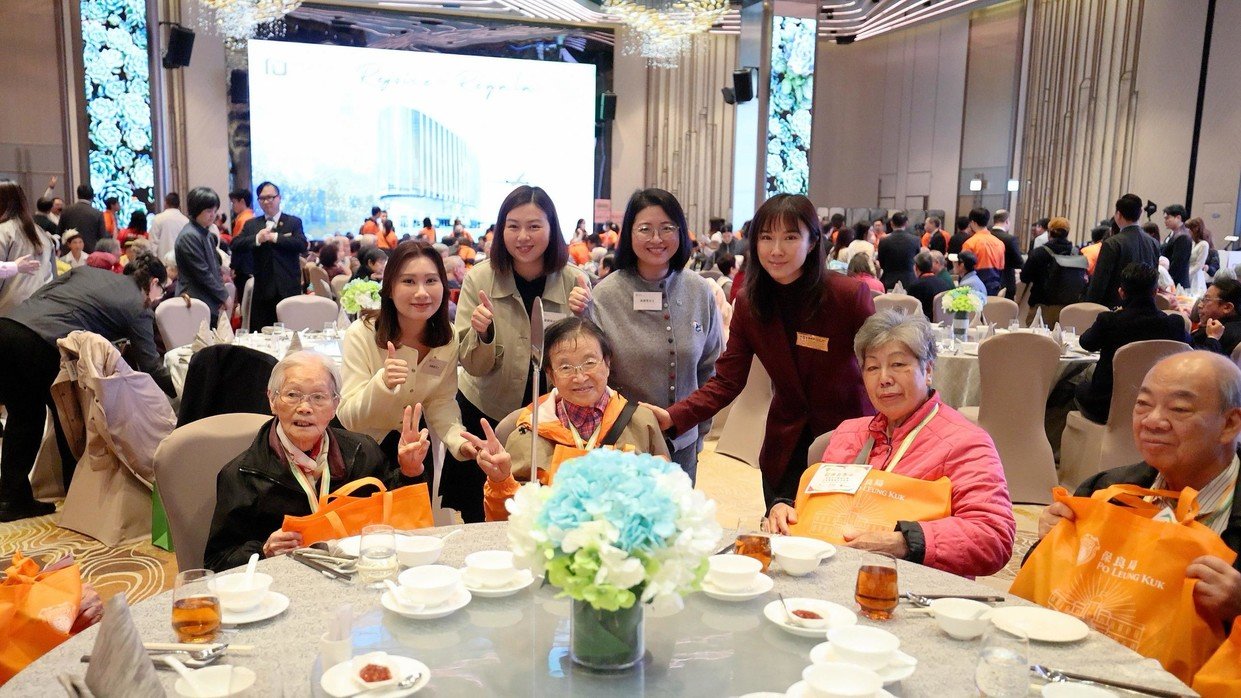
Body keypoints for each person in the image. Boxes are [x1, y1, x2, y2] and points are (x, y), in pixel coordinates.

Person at [646, 194, 875, 508]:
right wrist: (673, 417)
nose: (776, 250)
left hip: (848, 445)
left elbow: (880, 367)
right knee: (779, 528)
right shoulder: (751, 303)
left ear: (812, 242)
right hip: (785, 447)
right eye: (766, 238)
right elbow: (727, 381)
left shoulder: (847, 296)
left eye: (790, 237)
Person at [765, 311, 1015, 577]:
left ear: (928, 370)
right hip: (835, 574)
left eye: (898, 364)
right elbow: (825, 505)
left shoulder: (965, 442)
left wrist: (905, 542)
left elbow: (994, 536)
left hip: (914, 585)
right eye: (872, 368)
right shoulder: (849, 433)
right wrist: (788, 510)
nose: (884, 378)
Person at [1039, 352, 1241, 628]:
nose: (1152, 421)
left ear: (1230, 424)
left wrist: (1238, 606)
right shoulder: (1108, 490)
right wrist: (1051, 543)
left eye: (1179, 409)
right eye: (1143, 404)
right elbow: (1047, 593)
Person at [204, 351, 432, 571]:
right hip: (285, 585)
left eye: (318, 397)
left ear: (335, 406)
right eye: (292, 395)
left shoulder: (362, 452)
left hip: (356, 575)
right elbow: (217, 561)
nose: (305, 408)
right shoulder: (244, 473)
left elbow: (401, 522)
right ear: (272, 400)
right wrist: (264, 550)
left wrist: (410, 471)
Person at [452, 185, 592, 522]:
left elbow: (591, 356)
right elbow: (470, 363)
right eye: (513, 226)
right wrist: (482, 333)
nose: (523, 236)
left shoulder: (575, 281)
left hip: (553, 419)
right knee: (482, 513)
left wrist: (586, 315)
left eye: (534, 226)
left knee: (546, 512)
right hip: (486, 410)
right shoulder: (480, 278)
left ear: (552, 228)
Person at [0, 256, 172, 521]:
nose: (160, 298)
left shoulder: (84, 272)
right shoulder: (139, 306)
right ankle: (77, 496)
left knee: (24, 416)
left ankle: (12, 499)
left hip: (9, 327)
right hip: (44, 342)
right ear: (154, 283)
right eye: (162, 291)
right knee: (70, 418)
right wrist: (185, 385)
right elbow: (152, 366)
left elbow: (42, 294)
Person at [471, 318, 670, 521]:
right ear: (551, 374)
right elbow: (508, 522)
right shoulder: (528, 432)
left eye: (589, 363)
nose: (580, 377)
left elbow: (668, 503)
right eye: (566, 367)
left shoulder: (642, 422)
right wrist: (501, 480)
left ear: (607, 363)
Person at [590, 188, 723, 481]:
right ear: (629, 234)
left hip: (684, 442)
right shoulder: (606, 296)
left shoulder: (699, 291)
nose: (656, 239)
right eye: (645, 229)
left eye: (667, 228)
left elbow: (711, 369)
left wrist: (699, 431)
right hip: (623, 445)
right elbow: (594, 376)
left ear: (681, 232)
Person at [338, 241, 474, 478]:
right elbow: (349, 419)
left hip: (415, 451)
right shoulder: (362, 334)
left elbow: (441, 401)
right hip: (363, 454)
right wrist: (383, 384)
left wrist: (459, 442)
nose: (422, 292)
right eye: (409, 281)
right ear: (390, 288)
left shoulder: (447, 338)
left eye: (431, 280)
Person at [1073, 263, 1191, 424]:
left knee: (1077, 386)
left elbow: (1086, 343)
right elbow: (1191, 350)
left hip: (1106, 405)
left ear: (1121, 292)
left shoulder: (1110, 321)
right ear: (1155, 292)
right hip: (1157, 404)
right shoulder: (1174, 324)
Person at [232, 181, 308, 330]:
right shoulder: (252, 225)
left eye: (270, 197)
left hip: (288, 287)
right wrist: (257, 239)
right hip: (262, 289)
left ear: (279, 198)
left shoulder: (293, 222)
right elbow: (235, 244)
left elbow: (301, 244)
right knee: (262, 333)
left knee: (291, 332)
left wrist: (275, 237)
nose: (267, 202)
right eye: (262, 198)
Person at [1086, 194, 1160, 308]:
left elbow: (1099, 283)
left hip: (1116, 309)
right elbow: (1154, 278)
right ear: (1140, 213)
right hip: (1144, 308)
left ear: (1118, 214)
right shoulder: (1153, 242)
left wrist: (1089, 306)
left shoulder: (1112, 243)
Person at [173, 187, 229, 326]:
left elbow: (215, 268)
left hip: (207, 299)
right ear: (196, 210)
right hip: (194, 300)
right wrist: (223, 295)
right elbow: (202, 273)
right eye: (209, 211)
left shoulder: (205, 233)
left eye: (215, 211)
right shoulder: (189, 236)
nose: (213, 215)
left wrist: (221, 295)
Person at [0, 180, 55, 315]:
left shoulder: (3, 231)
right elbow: (53, 276)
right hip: (43, 308)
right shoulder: (41, 233)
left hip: (10, 313)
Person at [1020, 216, 1082, 326]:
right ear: (1067, 233)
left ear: (1049, 232)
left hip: (1041, 306)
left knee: (1036, 336)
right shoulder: (1076, 253)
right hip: (1068, 309)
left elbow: (1024, 277)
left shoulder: (1039, 253)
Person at [1191, 279, 1241, 357]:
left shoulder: (1214, 334)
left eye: (1207, 300)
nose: (1199, 305)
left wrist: (1211, 337)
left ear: (1227, 307)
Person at [961, 208, 1004, 295]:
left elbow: (963, 269)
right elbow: (1001, 267)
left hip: (975, 289)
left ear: (972, 222)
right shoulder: (1000, 243)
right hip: (995, 287)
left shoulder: (970, 243)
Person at [876, 211, 920, 291]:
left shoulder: (883, 241)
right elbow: (917, 261)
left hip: (888, 280)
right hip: (909, 281)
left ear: (891, 223)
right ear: (906, 224)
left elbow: (881, 263)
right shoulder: (915, 240)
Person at [56, 184, 105, 253]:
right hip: (90, 252)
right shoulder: (97, 214)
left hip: (69, 252)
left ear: (78, 195)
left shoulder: (66, 211)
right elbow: (102, 237)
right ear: (92, 196)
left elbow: (59, 233)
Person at [908, 251, 953, 319]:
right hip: (944, 322)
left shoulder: (915, 286)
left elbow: (910, 311)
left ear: (916, 267)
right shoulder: (944, 284)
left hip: (923, 323)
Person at [990, 210, 1024, 299]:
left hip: (989, 278)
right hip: (1006, 278)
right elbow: (1018, 261)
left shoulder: (987, 236)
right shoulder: (1010, 239)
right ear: (1007, 221)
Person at [149, 192, 189, 261]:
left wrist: (154, 260)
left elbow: (153, 243)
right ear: (178, 204)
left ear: (165, 203)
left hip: (162, 260)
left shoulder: (158, 219)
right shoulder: (186, 221)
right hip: (180, 261)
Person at [1162, 204, 1192, 289]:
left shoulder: (1183, 236)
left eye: (1167, 218)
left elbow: (1178, 263)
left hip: (1177, 283)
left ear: (1178, 218)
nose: (1165, 221)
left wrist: (1168, 280)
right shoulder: (1173, 234)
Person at [1187, 216, 1213, 295]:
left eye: (1189, 229)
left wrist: (1188, 274)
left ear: (1196, 229)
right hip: (1188, 273)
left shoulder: (1204, 244)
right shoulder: (1192, 243)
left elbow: (1199, 264)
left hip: (1196, 277)